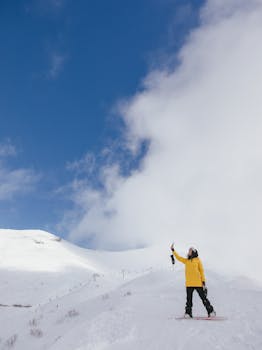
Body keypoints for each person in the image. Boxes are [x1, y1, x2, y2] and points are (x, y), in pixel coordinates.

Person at [171, 243, 215, 318]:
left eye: (190, 250)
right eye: (189, 250)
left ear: (193, 252)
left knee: (204, 298)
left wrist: (203, 281)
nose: (188, 252)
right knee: (189, 300)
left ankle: (211, 311)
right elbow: (178, 258)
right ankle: (188, 313)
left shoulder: (197, 260)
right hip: (189, 284)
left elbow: (201, 271)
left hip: (198, 283)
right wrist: (173, 250)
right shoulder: (186, 261)